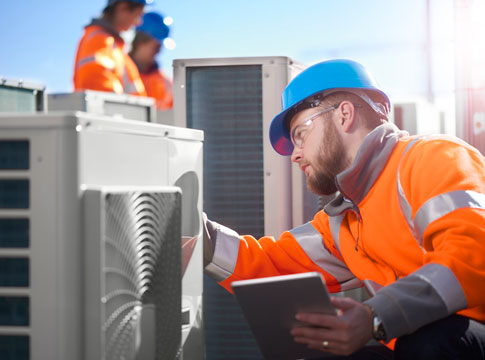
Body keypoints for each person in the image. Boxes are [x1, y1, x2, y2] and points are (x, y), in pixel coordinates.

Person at [202, 59, 485, 359]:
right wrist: (196, 238)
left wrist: (375, 317)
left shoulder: (433, 158)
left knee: (432, 341)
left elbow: (472, 258)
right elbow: (266, 264)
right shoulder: (344, 218)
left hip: (462, 336)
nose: (295, 155)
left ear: (345, 115)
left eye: (299, 134)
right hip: (409, 345)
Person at [73, 0, 148, 96]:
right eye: (138, 16)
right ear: (123, 8)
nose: (138, 23)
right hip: (109, 110)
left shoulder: (115, 46)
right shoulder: (99, 39)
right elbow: (97, 84)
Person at [129, 11, 173, 110]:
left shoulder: (166, 83)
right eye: (156, 47)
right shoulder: (119, 71)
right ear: (140, 42)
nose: (158, 52)